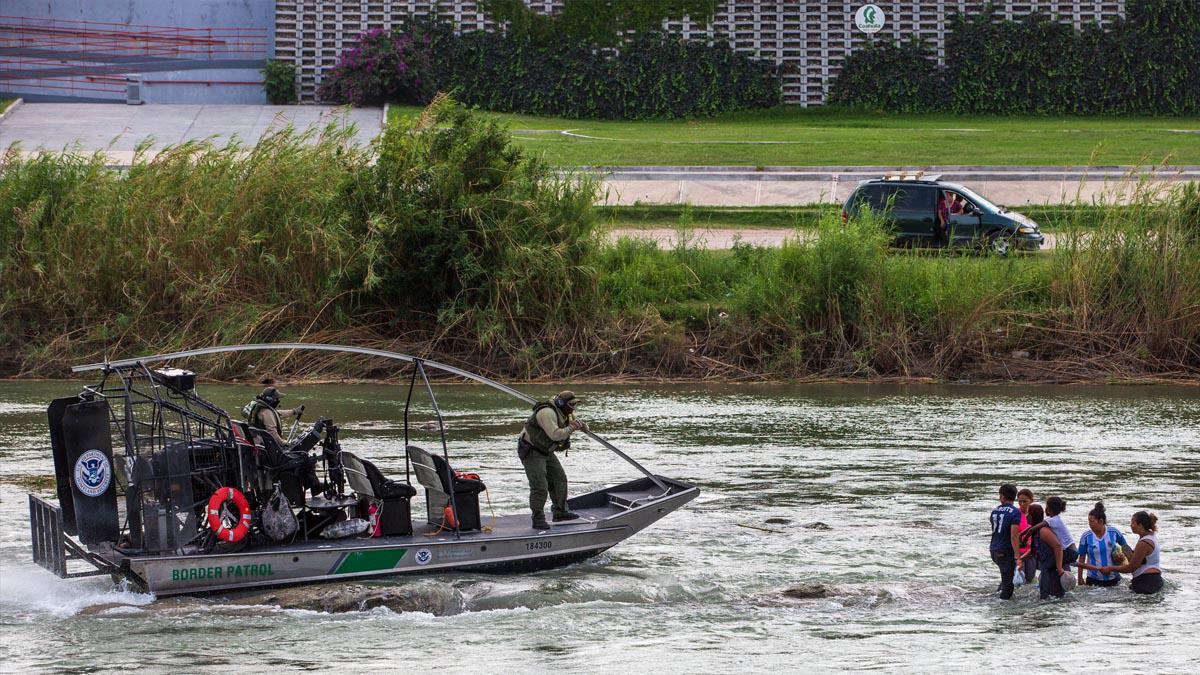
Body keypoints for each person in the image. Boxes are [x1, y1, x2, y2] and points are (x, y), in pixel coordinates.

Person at [518, 390, 586, 530]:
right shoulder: (547, 413)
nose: (574, 408)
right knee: (540, 486)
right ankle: (538, 519)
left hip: (546, 450)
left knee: (559, 479)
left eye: (575, 404)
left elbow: (578, 424)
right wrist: (572, 427)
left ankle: (560, 512)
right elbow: (555, 435)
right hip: (532, 451)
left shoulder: (566, 413)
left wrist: (582, 426)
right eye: (571, 404)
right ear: (561, 403)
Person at [1100, 511, 1163, 594]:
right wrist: (1122, 556)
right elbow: (1141, 561)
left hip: (1146, 583)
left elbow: (1131, 568)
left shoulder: (1144, 543)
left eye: (1133, 522)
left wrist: (1110, 568)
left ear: (1140, 525)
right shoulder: (1151, 536)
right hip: (1154, 580)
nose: (1131, 525)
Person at [1076, 501, 1132, 587]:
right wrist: (1080, 578)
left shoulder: (1114, 532)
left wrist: (1125, 559)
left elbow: (1126, 548)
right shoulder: (1086, 536)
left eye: (1092, 521)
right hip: (1093, 580)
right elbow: (1081, 559)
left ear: (1101, 521)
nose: (1089, 524)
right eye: (1089, 521)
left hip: (1114, 579)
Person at [1022, 495, 1077, 572]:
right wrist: (1022, 534)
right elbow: (1034, 527)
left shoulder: (1052, 521)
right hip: (1071, 551)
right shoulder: (1053, 520)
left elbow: (1033, 529)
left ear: (1049, 509)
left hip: (1069, 552)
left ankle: (1059, 568)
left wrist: (1024, 538)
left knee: (1048, 564)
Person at [1024, 503, 1066, 599]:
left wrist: (1059, 568)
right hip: (1051, 565)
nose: (1026, 516)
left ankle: (1045, 597)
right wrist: (1019, 559)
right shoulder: (1037, 530)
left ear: (1033, 515)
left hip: (1055, 565)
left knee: (1052, 595)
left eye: (1028, 513)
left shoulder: (1043, 530)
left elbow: (1058, 546)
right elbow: (1033, 552)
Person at [989, 484, 1022, 600]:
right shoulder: (1015, 512)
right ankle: (1003, 609)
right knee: (1008, 585)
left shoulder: (995, 511)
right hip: (1005, 550)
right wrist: (1018, 557)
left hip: (993, 549)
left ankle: (999, 594)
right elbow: (1013, 536)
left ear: (1002, 496)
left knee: (1005, 576)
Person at [1017, 488, 1037, 583]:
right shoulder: (1015, 514)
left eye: (1024, 501)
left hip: (1030, 552)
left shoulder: (1035, 515)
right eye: (1019, 501)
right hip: (1017, 551)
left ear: (1031, 501)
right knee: (1018, 577)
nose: (1021, 504)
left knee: (1029, 577)